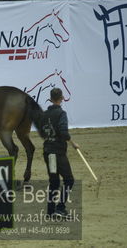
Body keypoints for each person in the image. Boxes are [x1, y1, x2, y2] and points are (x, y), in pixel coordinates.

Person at [41, 88, 79, 218]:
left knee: (54, 182)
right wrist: (73, 143)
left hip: (48, 153)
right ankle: (60, 207)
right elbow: (63, 132)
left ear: (51, 99)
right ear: (61, 98)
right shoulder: (61, 114)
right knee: (69, 180)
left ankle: (51, 211)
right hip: (57, 153)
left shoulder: (45, 114)